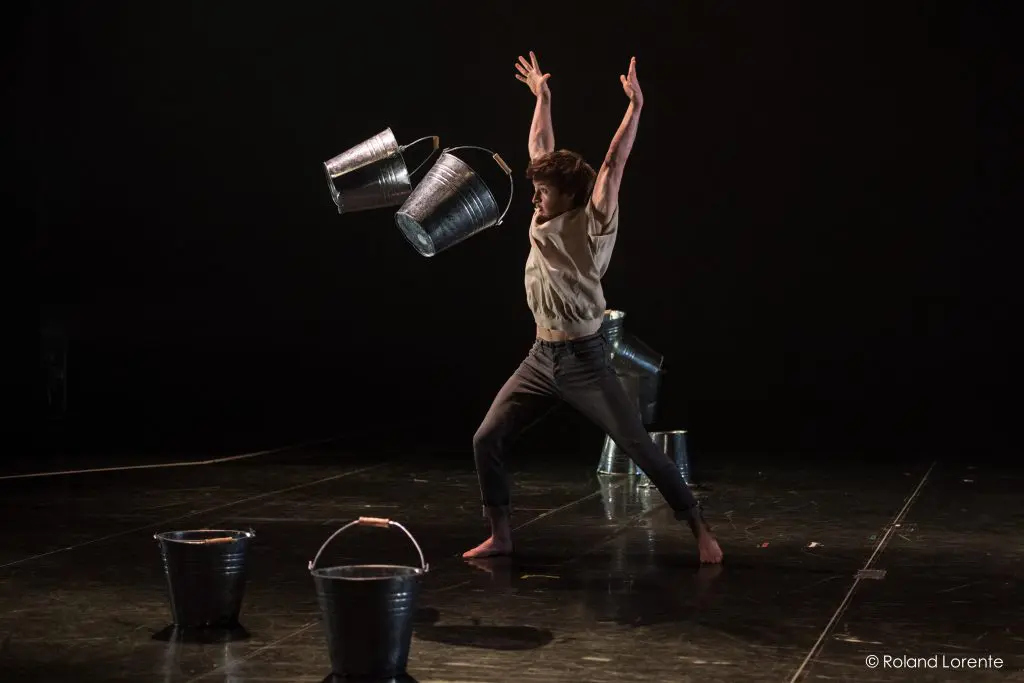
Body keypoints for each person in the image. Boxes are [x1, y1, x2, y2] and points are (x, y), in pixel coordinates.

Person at [463, 51, 723, 565]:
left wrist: (635, 109)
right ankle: (502, 534)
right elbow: (540, 146)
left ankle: (699, 529)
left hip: (586, 358)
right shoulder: (545, 210)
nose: (534, 199)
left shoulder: (593, 222)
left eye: (542, 192)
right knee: (485, 438)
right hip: (541, 357)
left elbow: (613, 163)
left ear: (569, 196)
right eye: (535, 190)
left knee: (640, 448)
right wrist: (543, 97)